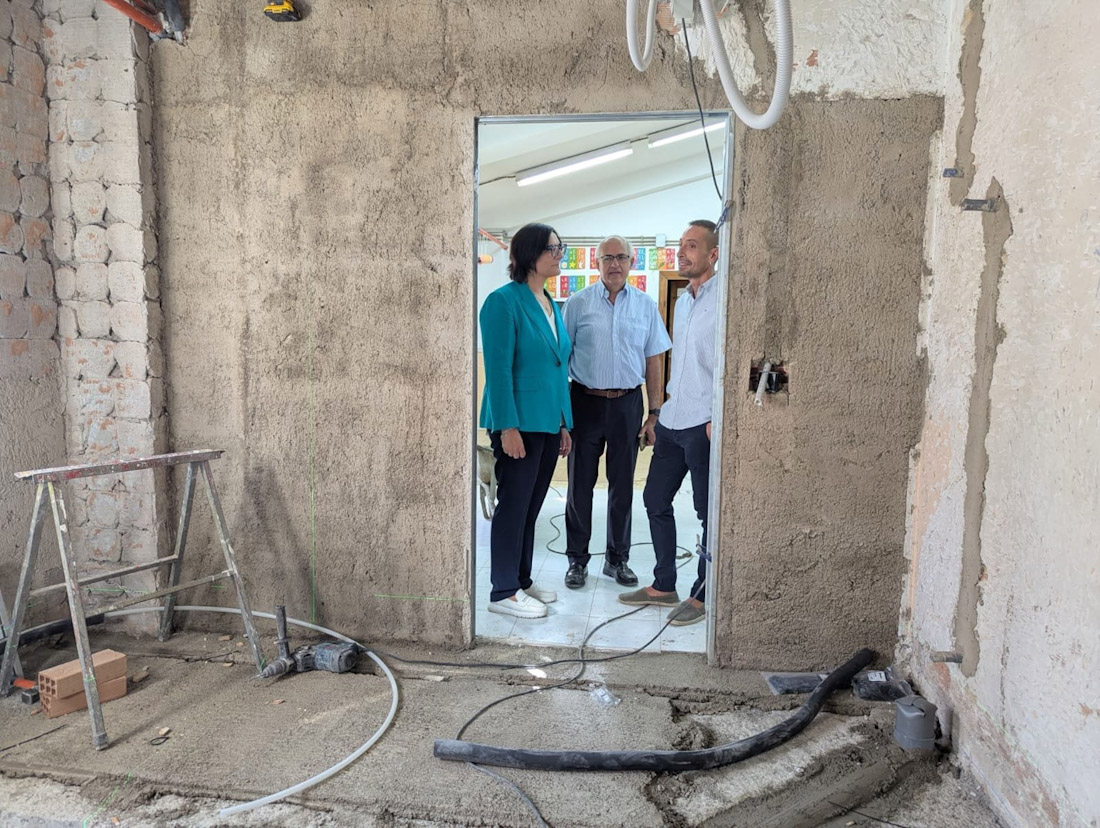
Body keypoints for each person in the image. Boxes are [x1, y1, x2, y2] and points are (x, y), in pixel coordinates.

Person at [619, 220, 719, 627]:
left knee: (706, 512)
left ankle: (702, 594)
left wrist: (718, 416)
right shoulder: (682, 301)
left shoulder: (726, 297)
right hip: (676, 418)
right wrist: (659, 412)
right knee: (655, 500)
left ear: (713, 254)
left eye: (691, 245)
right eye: (681, 245)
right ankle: (664, 584)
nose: (682, 251)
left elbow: (727, 363)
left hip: (705, 424)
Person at [561, 235, 671, 590]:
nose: (614, 264)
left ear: (631, 262)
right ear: (597, 262)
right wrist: (561, 414)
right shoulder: (577, 304)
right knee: (580, 486)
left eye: (621, 257)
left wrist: (654, 414)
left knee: (622, 486)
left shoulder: (645, 306)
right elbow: (560, 360)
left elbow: (654, 360)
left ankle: (616, 559)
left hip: (627, 404)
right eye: (607, 257)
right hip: (584, 401)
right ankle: (577, 560)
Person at [479, 223, 573, 619]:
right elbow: (498, 371)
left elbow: (557, 366)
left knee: (532, 507)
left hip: (549, 422)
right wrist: (508, 427)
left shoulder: (550, 303)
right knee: (513, 506)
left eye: (560, 247)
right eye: (553, 248)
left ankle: (521, 579)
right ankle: (503, 591)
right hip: (518, 423)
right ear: (530, 254)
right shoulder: (503, 303)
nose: (559, 254)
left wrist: (565, 423)